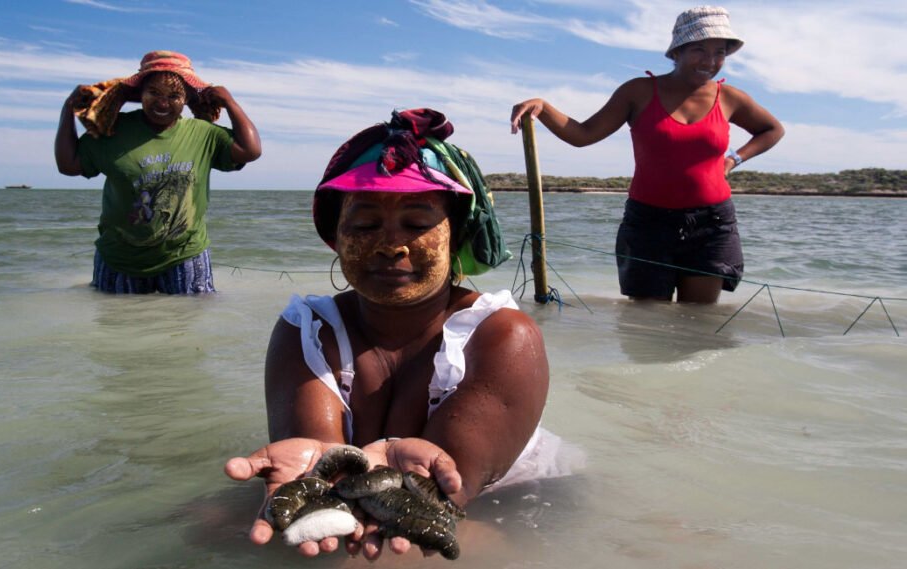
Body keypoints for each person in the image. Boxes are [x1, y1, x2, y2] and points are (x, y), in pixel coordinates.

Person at [225, 109, 579, 559]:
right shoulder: (308, 330)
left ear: (456, 236)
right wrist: (323, 479)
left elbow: (447, 486)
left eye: (416, 225)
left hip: (517, 495)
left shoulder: (503, 335)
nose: (391, 245)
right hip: (377, 490)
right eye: (365, 225)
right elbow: (323, 464)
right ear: (336, 236)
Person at [510, 6, 784, 303]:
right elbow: (583, 135)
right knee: (647, 324)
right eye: (699, 49)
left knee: (699, 322)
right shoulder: (637, 92)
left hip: (712, 225)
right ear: (677, 50)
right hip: (648, 224)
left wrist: (734, 159)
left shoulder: (730, 97)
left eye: (720, 52)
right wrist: (544, 107)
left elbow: (772, 130)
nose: (710, 61)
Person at [55, 50, 261, 294]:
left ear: (185, 99)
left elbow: (251, 150)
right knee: (118, 329)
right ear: (140, 93)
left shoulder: (203, 133)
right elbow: (68, 165)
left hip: (185, 256)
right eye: (154, 93)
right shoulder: (114, 130)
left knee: (186, 329)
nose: (163, 103)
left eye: (174, 96)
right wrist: (68, 109)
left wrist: (230, 102)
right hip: (120, 259)